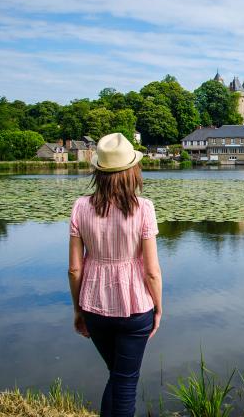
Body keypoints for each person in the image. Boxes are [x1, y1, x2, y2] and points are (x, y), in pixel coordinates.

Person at [68, 132, 163, 417]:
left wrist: (77, 310)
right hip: (136, 307)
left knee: (117, 375)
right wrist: (158, 307)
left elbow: (74, 269)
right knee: (125, 381)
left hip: (94, 305)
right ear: (132, 171)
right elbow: (152, 271)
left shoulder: (80, 207)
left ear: (99, 170)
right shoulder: (143, 208)